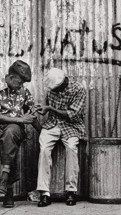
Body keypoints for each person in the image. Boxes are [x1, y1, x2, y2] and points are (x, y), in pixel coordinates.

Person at [0, 60, 41, 208]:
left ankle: (6, 179)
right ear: (10, 77)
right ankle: (8, 186)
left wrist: (43, 131)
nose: (21, 86)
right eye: (19, 82)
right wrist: (21, 119)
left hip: (14, 130)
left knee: (11, 131)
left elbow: (31, 116)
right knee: (8, 143)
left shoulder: (24, 92)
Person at [35, 68, 86, 207]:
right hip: (53, 124)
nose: (55, 91)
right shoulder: (52, 89)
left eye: (57, 88)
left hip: (72, 125)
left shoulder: (78, 89)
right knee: (44, 148)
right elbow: (47, 108)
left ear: (64, 82)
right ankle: (44, 192)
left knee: (71, 148)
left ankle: (71, 191)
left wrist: (50, 109)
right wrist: (42, 109)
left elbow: (73, 115)